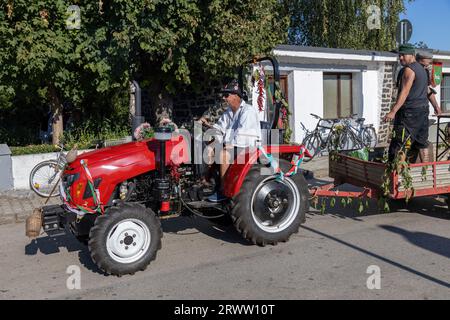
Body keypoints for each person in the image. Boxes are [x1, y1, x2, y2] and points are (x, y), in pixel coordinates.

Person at [199, 79, 262, 202]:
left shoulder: (248, 111)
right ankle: (206, 181)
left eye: (226, 95)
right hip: (234, 145)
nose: (224, 98)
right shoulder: (229, 112)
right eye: (224, 95)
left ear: (236, 96)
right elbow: (219, 128)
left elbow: (243, 136)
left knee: (223, 154)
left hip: (247, 147)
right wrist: (207, 126)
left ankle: (224, 191)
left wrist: (226, 145)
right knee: (209, 149)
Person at [384, 44, 431, 162]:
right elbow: (427, 91)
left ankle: (396, 177)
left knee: (400, 143)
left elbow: (404, 93)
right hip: (423, 111)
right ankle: (426, 172)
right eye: (399, 55)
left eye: (403, 55)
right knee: (422, 143)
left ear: (411, 55)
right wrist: (436, 107)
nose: (400, 58)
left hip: (409, 113)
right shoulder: (422, 70)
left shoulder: (409, 70)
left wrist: (393, 111)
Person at [416, 50, 442, 116]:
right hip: (412, 108)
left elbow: (427, 90)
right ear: (421, 59)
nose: (430, 61)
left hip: (423, 108)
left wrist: (436, 106)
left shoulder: (425, 71)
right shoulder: (411, 70)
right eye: (428, 59)